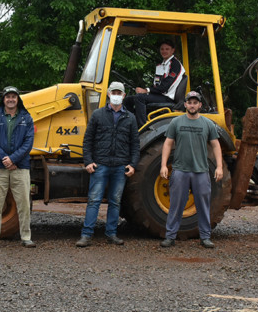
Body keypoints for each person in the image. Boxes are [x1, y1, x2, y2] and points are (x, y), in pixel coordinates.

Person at [76, 82, 140, 247]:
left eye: (120, 93)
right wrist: (88, 161)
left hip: (120, 166)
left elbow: (135, 144)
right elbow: (88, 140)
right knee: (94, 200)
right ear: (109, 94)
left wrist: (133, 164)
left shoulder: (130, 118)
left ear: (124, 95)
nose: (117, 95)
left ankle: (111, 234)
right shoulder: (98, 115)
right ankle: (86, 235)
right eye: (114, 92)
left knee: (115, 201)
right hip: (101, 165)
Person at [159, 91, 223, 249]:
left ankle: (205, 237)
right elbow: (167, 143)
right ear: (185, 104)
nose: (192, 105)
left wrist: (220, 167)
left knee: (203, 205)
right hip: (180, 170)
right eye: (190, 102)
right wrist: (163, 165)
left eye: (195, 102)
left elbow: (216, 145)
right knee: (176, 205)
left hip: (201, 171)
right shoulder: (176, 122)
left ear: (200, 105)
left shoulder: (207, 124)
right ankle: (170, 236)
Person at [0, 86, 36, 248]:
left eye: (14, 96)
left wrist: (13, 159)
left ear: (18, 99)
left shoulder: (26, 119)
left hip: (21, 167)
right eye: (8, 97)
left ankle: (26, 237)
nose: (11, 99)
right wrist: (4, 159)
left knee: (24, 204)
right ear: (3, 99)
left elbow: (28, 143)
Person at [125, 40, 186, 128]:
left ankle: (142, 127)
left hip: (168, 97)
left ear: (173, 50)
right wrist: (146, 91)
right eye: (162, 49)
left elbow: (165, 86)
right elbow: (156, 85)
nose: (164, 51)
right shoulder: (161, 66)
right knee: (128, 100)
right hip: (160, 96)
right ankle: (132, 122)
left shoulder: (175, 65)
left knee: (139, 98)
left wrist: (146, 90)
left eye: (167, 49)